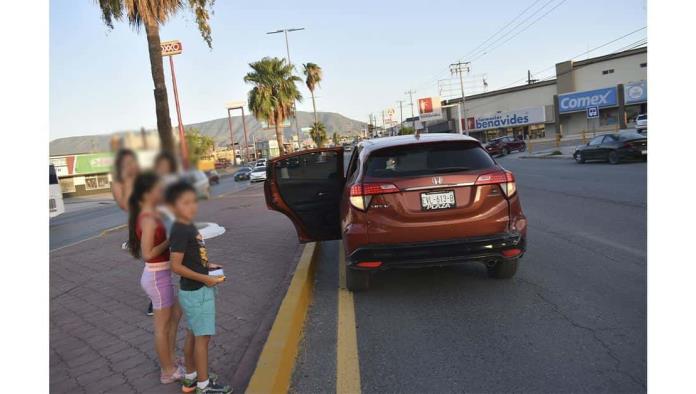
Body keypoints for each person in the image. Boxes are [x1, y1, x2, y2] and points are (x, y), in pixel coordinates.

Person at [167, 181, 232, 394]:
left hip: (196, 289)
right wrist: (206, 279)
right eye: (185, 202)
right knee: (202, 339)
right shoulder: (180, 228)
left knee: (193, 335)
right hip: (197, 292)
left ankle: (191, 379)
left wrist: (207, 266)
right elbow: (175, 266)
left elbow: (190, 257)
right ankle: (204, 386)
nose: (191, 206)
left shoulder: (187, 225)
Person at [127, 172, 185, 384]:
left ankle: (169, 358)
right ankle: (167, 371)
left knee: (175, 314)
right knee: (162, 326)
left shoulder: (149, 213)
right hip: (156, 277)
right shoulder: (148, 217)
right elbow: (148, 253)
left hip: (160, 275)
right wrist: (170, 241)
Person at [111, 149, 155, 316]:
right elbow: (127, 205)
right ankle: (155, 299)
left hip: (157, 220)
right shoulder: (124, 182)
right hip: (142, 224)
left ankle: (161, 298)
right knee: (152, 263)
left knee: (160, 262)